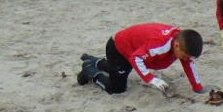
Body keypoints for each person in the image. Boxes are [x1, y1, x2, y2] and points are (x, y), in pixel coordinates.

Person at [77, 23, 205, 96]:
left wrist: (197, 87)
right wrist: (151, 78)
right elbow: (136, 58)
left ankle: (92, 59)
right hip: (119, 49)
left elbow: (188, 63)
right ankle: (88, 70)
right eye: (184, 56)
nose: (185, 59)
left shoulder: (181, 42)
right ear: (177, 46)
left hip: (132, 49)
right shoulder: (161, 44)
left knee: (117, 70)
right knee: (116, 89)